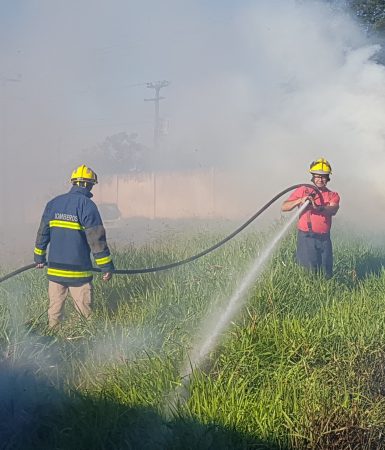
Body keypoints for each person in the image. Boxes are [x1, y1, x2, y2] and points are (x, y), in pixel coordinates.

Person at [34, 164, 114, 328]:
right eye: (92, 185)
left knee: (54, 314)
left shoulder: (53, 203)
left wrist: (39, 257)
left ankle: (52, 345)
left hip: (55, 272)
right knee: (85, 316)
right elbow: (96, 239)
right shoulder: (87, 206)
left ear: (74, 182)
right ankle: (85, 345)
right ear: (87, 184)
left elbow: (43, 233)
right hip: (79, 274)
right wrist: (106, 266)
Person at [281, 158, 340, 278]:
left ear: (328, 178)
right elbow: (284, 207)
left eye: (323, 176)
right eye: (317, 176)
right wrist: (301, 200)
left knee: (326, 273)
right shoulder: (303, 190)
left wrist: (318, 207)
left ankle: (325, 293)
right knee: (307, 273)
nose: (320, 179)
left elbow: (333, 209)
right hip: (307, 237)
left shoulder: (332, 195)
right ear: (313, 176)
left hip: (324, 239)